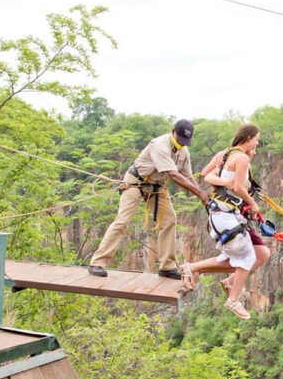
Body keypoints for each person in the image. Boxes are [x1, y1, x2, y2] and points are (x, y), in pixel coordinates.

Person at [88, 119, 209, 279]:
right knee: (122, 221)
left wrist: (202, 195)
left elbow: (187, 176)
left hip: (157, 186)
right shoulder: (160, 145)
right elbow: (174, 175)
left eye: (185, 141)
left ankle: (167, 266)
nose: (181, 144)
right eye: (180, 140)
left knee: (169, 220)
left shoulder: (183, 151)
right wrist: (200, 194)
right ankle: (97, 262)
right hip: (136, 183)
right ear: (173, 132)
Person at [180, 124, 270, 319]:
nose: (257, 143)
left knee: (261, 253)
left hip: (226, 215)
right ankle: (233, 300)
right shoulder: (242, 158)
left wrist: (223, 182)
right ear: (248, 138)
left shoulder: (223, 154)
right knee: (245, 259)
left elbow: (206, 174)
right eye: (256, 139)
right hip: (227, 216)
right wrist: (253, 204)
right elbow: (238, 187)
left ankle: (227, 280)